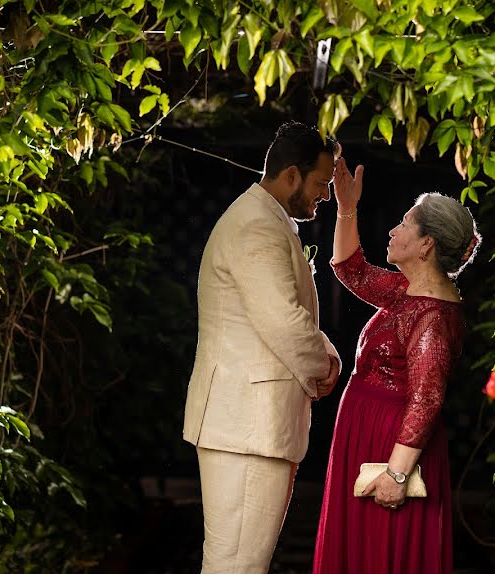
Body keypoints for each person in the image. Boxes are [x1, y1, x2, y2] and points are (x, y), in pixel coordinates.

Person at [183, 121, 342, 573]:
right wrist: (324, 364)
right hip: (247, 425)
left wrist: (322, 352)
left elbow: (284, 312)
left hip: (245, 422)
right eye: (321, 183)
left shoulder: (262, 219)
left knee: (233, 562)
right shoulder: (257, 227)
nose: (325, 195)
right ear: (291, 175)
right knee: (239, 564)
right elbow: (284, 322)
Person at [312, 157, 480, 574]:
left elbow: (426, 399)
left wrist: (398, 475)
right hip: (367, 431)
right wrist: (346, 208)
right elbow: (351, 272)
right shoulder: (408, 291)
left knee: (383, 554)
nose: (393, 230)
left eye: (404, 223)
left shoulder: (435, 315)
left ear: (427, 244)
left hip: (392, 446)